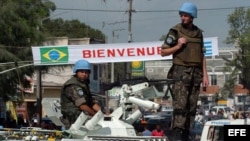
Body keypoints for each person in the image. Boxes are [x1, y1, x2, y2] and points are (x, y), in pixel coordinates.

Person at [161, 2, 209, 141]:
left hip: (196, 73)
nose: (183, 18)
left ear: (192, 16)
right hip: (181, 73)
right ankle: (177, 135)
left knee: (191, 106)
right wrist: (178, 45)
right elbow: (163, 52)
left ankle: (186, 134)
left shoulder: (198, 33)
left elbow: (201, 55)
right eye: (181, 15)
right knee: (180, 106)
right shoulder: (175, 31)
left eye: (186, 15)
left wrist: (205, 75)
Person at [60, 59, 101, 129]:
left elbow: (91, 103)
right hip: (73, 120)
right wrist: (95, 115)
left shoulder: (84, 84)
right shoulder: (73, 85)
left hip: (81, 118)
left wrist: (101, 114)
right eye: (82, 72)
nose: (84, 74)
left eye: (86, 72)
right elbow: (82, 106)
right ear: (76, 72)